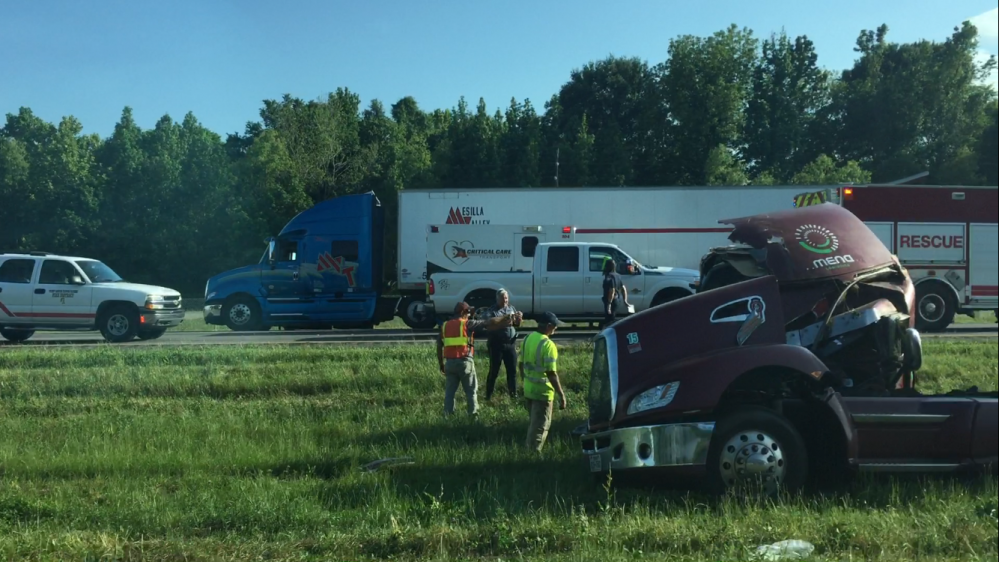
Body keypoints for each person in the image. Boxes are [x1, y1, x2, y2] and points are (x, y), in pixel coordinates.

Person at [437, 302, 518, 418]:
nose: (469, 315)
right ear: (462, 312)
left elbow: (439, 345)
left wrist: (441, 364)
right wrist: (506, 317)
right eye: (468, 312)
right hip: (465, 362)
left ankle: (447, 415)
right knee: (471, 391)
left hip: (450, 363)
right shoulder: (467, 324)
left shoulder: (445, 326)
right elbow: (488, 322)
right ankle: (473, 416)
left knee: (449, 393)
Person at [520, 312, 568, 453]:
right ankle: (532, 455)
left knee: (533, 424)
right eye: (554, 326)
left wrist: (525, 380)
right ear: (548, 326)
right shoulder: (548, 345)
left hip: (529, 390)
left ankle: (529, 451)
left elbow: (521, 365)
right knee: (540, 427)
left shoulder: (527, 338)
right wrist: (561, 394)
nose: (556, 329)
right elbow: (551, 374)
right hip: (543, 393)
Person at [484, 289, 522, 401]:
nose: (505, 300)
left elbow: (516, 324)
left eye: (506, 298)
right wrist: (504, 321)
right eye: (502, 298)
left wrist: (519, 319)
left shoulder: (511, 308)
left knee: (512, 371)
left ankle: (513, 395)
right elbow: (488, 325)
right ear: (497, 299)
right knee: (494, 371)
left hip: (510, 344)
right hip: (496, 344)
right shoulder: (492, 310)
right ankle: (488, 395)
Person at [601, 259, 629, 330]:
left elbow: (612, 290)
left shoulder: (609, 276)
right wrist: (625, 300)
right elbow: (623, 288)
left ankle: (609, 333)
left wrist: (609, 304)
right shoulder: (618, 276)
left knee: (609, 320)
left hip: (611, 300)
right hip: (617, 300)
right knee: (612, 318)